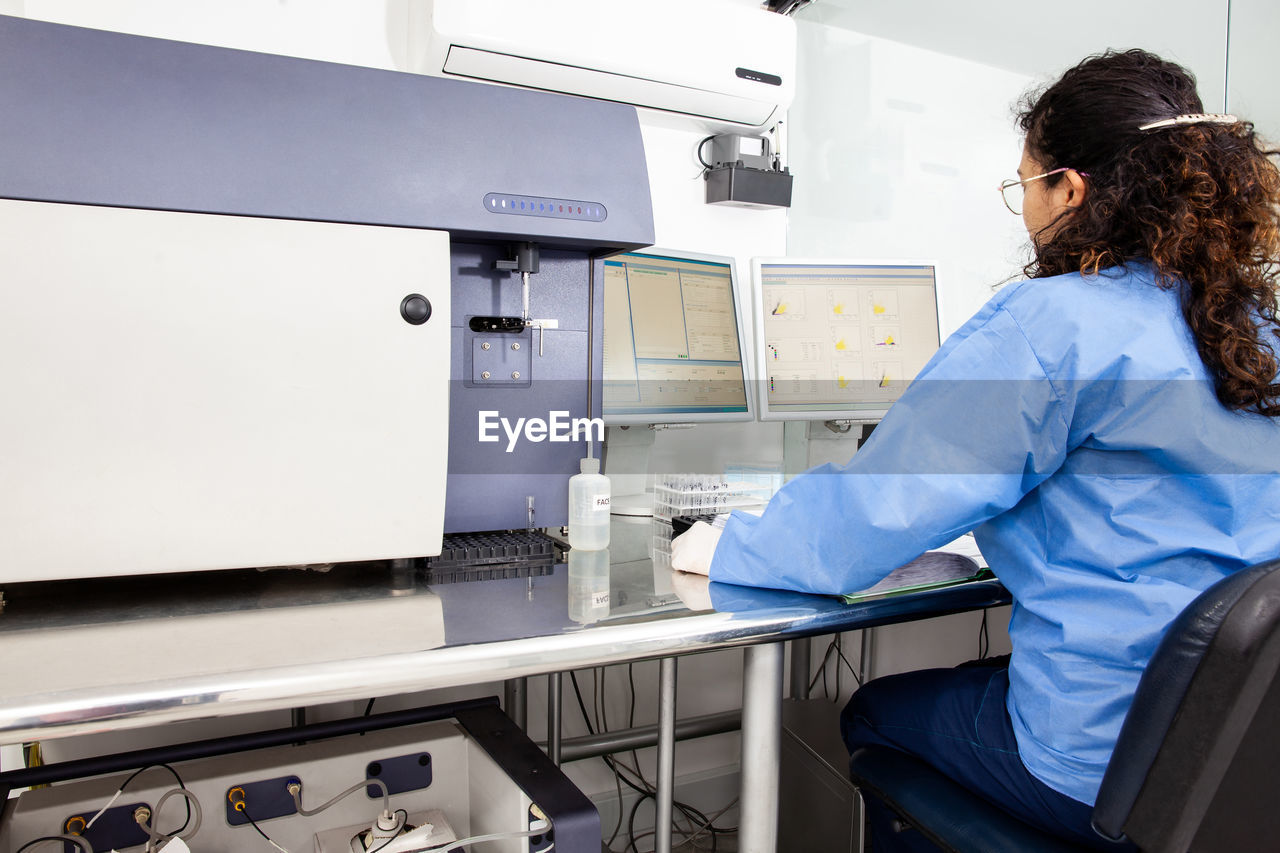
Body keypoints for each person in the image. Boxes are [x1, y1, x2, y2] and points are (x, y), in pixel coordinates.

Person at [671, 49, 1280, 851]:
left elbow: (870, 517)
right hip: (1236, 757)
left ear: (1072, 189)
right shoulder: (1254, 332)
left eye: (1025, 183)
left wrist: (721, 544)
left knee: (875, 713)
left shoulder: (1053, 323)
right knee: (967, 684)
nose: (1025, 208)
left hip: (1101, 757)